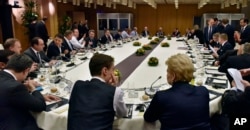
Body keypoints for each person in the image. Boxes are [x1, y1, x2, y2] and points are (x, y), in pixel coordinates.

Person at [144, 53, 210, 130]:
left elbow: (148, 118)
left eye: (167, 71)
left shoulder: (162, 97)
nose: (166, 74)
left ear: (173, 76)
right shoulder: (203, 91)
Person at [68, 53, 127, 130]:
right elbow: (123, 113)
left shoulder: (76, 85)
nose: (113, 72)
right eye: (112, 69)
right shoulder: (114, 92)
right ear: (105, 71)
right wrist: (113, 88)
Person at [0, 54, 60, 129]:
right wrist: (33, 89)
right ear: (26, 70)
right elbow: (40, 106)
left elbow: (12, 96)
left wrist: (37, 96)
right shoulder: (16, 87)